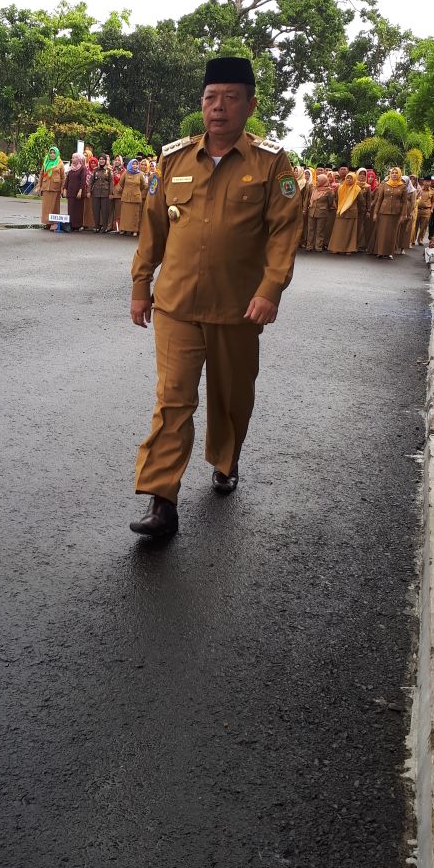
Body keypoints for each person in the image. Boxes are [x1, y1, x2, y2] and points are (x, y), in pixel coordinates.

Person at [129, 56, 302, 539]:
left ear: (250, 104)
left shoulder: (272, 165)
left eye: (229, 97)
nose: (218, 108)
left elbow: (285, 232)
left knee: (232, 399)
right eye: (210, 98)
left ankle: (226, 461)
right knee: (172, 400)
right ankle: (161, 499)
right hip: (177, 305)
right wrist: (141, 286)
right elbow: (152, 230)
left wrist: (270, 290)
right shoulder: (174, 161)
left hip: (237, 308)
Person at [370, 166, 409, 258]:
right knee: (381, 233)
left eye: (396, 173)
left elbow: (404, 202)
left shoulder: (403, 187)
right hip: (383, 212)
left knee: (392, 234)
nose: (394, 175)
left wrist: (403, 215)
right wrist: (375, 213)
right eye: (392, 173)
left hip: (395, 213)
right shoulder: (384, 184)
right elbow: (379, 200)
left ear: (399, 174)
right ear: (390, 174)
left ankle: (389, 253)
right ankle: (380, 252)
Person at [328, 171, 363, 254]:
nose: (349, 179)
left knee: (350, 232)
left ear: (354, 179)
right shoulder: (340, 188)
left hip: (351, 213)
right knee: (338, 231)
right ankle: (336, 248)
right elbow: (336, 199)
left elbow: (361, 201)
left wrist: (360, 210)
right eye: (347, 178)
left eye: (351, 178)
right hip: (341, 212)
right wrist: (338, 207)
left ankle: (349, 249)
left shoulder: (357, 189)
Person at [305, 172, 335, 252]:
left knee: (320, 230)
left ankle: (318, 246)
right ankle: (309, 246)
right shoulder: (313, 189)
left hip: (322, 213)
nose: (317, 182)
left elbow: (330, 202)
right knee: (310, 229)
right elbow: (309, 200)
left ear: (323, 181)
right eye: (316, 180)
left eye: (318, 181)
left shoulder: (329, 191)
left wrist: (324, 208)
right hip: (312, 211)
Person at [38, 145, 65, 229]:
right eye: (51, 153)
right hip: (46, 187)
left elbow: (63, 177)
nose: (52, 154)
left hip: (55, 187)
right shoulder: (46, 162)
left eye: (54, 153)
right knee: (46, 206)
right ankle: (47, 222)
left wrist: (62, 188)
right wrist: (40, 185)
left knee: (54, 206)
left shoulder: (60, 163)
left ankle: (54, 223)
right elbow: (41, 174)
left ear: (57, 153)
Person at [118, 158, 145, 236]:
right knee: (125, 214)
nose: (135, 165)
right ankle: (123, 229)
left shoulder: (140, 174)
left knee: (135, 215)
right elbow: (121, 183)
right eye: (133, 164)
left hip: (136, 198)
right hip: (126, 197)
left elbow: (144, 185)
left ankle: (135, 230)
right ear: (130, 164)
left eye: (136, 164)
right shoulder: (125, 173)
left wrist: (137, 191)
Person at [89, 153, 113, 232]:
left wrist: (110, 193)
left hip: (105, 193)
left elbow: (111, 182)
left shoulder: (109, 170)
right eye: (100, 159)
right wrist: (89, 191)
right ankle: (96, 226)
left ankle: (104, 227)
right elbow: (91, 181)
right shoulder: (95, 170)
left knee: (105, 211)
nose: (101, 161)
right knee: (95, 210)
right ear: (98, 160)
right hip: (96, 192)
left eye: (103, 159)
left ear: (105, 161)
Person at [65, 152, 88, 230]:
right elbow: (67, 180)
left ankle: (77, 225)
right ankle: (70, 225)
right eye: (72, 157)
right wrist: (65, 189)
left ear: (79, 159)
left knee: (78, 209)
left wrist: (80, 191)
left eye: (74, 157)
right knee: (71, 208)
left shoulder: (82, 168)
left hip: (78, 192)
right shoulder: (70, 168)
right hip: (71, 191)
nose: (72, 159)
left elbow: (83, 180)